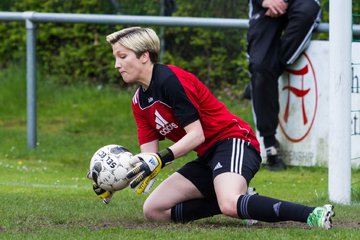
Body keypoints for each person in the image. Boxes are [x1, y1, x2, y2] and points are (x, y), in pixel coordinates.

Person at [95, 26, 334, 229]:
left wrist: (162, 158)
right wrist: (115, 178)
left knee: (229, 204)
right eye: (116, 57)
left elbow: (196, 135)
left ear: (144, 56)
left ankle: (312, 214)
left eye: (122, 56)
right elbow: (149, 157)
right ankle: (245, 201)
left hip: (233, 141)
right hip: (208, 156)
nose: (117, 64)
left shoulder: (169, 80)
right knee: (154, 210)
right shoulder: (139, 102)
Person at [246, 0, 322, 171]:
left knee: (307, 12)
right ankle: (270, 145)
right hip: (264, 6)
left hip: (302, 3)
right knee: (260, 67)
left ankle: (259, 83)